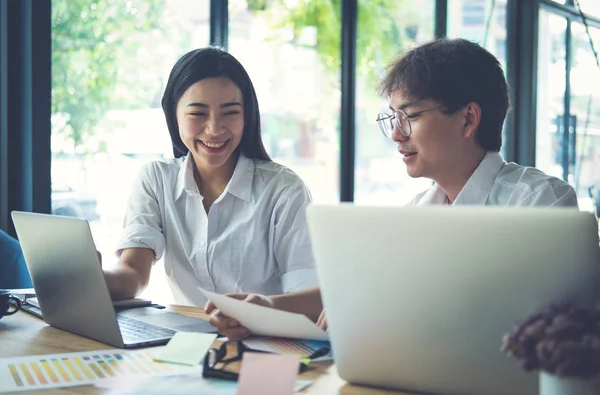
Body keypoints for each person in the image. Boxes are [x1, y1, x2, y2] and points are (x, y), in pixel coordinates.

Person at [206, 38, 579, 339]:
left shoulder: (539, 205)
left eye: (409, 117)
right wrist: (267, 307)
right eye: (393, 118)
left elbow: (539, 332)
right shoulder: (418, 211)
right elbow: (356, 286)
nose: (397, 135)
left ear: (468, 118)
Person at [102, 47, 318, 306]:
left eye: (230, 112)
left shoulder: (283, 189)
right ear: (174, 115)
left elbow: (310, 295)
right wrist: (91, 278)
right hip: (184, 341)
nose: (215, 129)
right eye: (198, 113)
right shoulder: (156, 179)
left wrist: (262, 309)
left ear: (246, 115)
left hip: (263, 339)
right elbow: (133, 272)